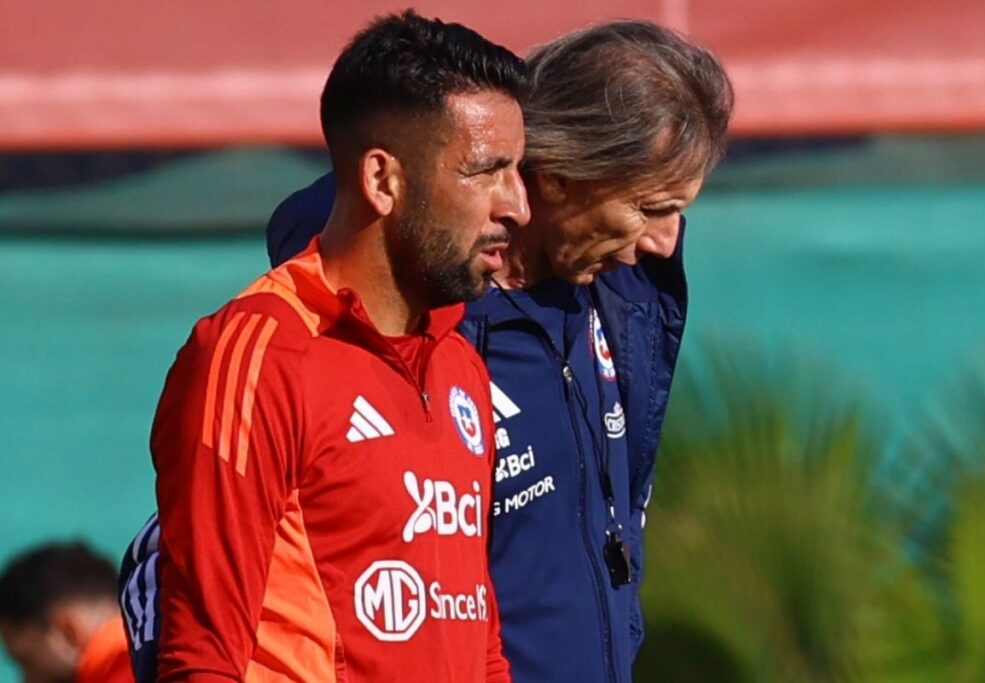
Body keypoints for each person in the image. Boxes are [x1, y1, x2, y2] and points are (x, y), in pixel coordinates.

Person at [123, 19, 732, 683]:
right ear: (563, 173)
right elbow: (197, 631)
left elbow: (481, 631)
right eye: (650, 207)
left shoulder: (477, 353)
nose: (666, 242)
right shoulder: (280, 347)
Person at [137, 10, 529, 682]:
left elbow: (481, 642)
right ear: (383, 181)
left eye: (516, 170)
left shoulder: (458, 360)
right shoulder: (257, 352)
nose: (516, 205)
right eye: (486, 171)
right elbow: (202, 654)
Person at [0, 541, 133, 683]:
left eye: (26, 663)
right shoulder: (149, 644)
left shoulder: (119, 668)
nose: (25, 680)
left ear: (67, 633)